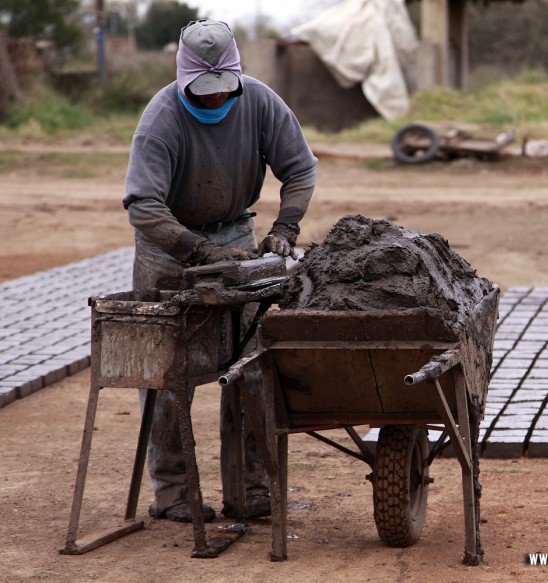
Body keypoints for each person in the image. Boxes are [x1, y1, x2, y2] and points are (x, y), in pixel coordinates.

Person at [122, 19, 317, 523]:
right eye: (202, 93)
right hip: (169, 244)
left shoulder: (261, 103)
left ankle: (250, 490)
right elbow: (144, 206)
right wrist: (197, 250)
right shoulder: (161, 118)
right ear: (184, 79)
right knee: (169, 374)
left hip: (235, 235)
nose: (214, 101)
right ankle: (172, 492)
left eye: (222, 91)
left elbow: (300, 170)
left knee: (248, 363)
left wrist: (286, 228)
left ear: (237, 76)